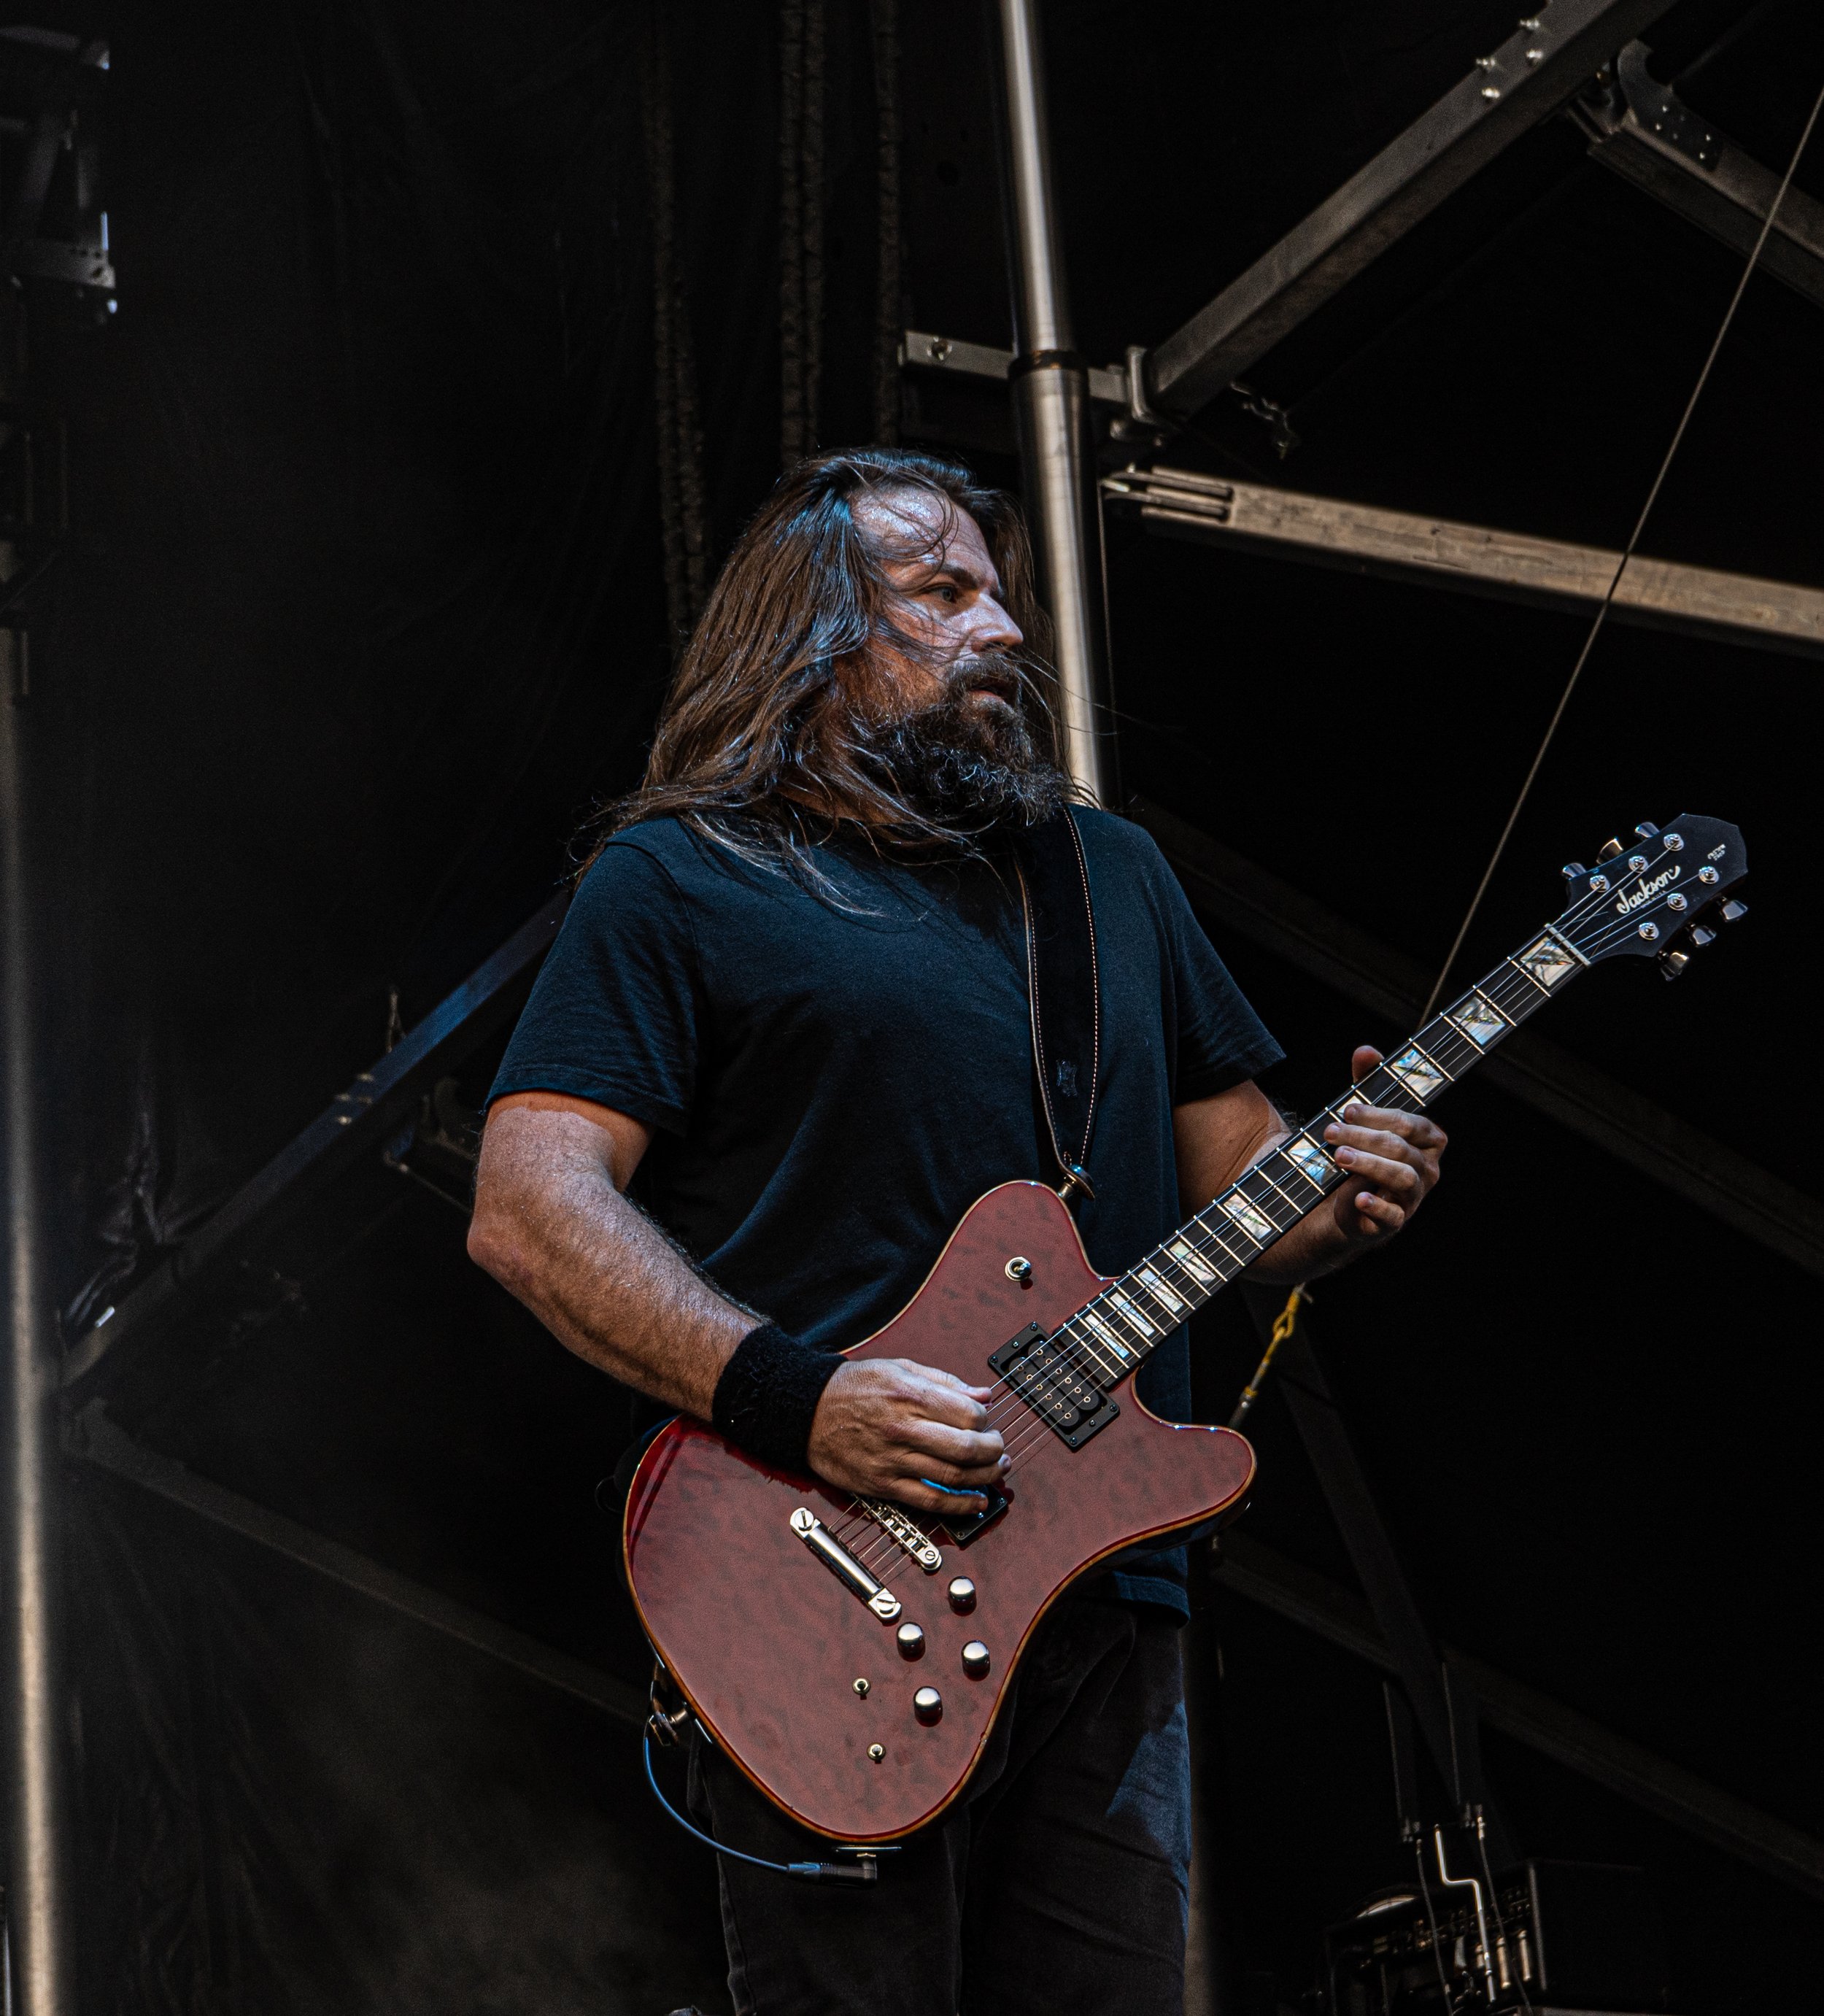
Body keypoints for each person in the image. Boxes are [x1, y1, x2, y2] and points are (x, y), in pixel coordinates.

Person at [466, 447, 1445, 2016]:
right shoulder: (685, 878)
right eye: (943, 593)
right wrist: (799, 1395)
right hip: (819, 1576)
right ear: (814, 636)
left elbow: (1250, 1186)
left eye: (1000, 591)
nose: (1001, 628)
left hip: (1108, 1597)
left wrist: (1345, 1190)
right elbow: (528, 1206)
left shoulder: (1102, 875)